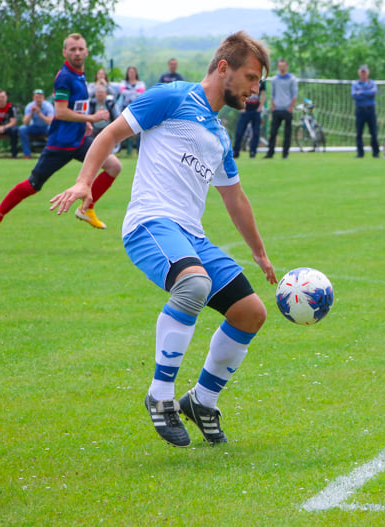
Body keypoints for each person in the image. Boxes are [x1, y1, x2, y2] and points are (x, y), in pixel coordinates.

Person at [49, 31, 277, 448]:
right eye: (250, 77)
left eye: (258, 82)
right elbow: (109, 136)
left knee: (250, 313)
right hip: (149, 223)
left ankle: (202, 400)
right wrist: (85, 182)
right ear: (223, 68)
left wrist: (260, 254)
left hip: (190, 234)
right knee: (194, 283)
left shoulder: (220, 136)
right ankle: (160, 395)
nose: (253, 89)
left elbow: (235, 198)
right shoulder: (171, 97)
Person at [0, 33, 120, 246]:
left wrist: (84, 123)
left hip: (79, 140)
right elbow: (61, 112)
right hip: (61, 144)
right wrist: (91, 117)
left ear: (86, 51)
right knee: (33, 185)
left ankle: (88, 209)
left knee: (114, 166)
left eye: (80, 49)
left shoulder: (80, 75)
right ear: (64, 52)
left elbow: (75, 107)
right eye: (72, 49)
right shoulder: (65, 77)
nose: (77, 52)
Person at [265, 59, 297, 159]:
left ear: (286, 67)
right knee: (273, 132)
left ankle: (285, 154)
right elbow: (272, 94)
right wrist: (273, 106)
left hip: (287, 109)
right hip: (277, 109)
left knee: (287, 133)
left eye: (284, 66)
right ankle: (270, 153)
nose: (282, 68)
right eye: (280, 66)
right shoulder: (275, 79)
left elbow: (294, 94)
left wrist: (291, 107)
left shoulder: (292, 79)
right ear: (278, 67)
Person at [233, 78, 265, 158]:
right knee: (239, 132)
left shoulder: (260, 82)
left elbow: (263, 95)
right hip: (245, 110)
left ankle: (253, 152)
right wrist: (241, 107)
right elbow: (239, 93)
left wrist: (260, 107)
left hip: (255, 110)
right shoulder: (245, 79)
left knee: (256, 132)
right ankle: (236, 151)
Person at [18, 89, 55, 158]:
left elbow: (50, 121)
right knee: (22, 129)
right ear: (33, 98)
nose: (38, 99)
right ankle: (27, 154)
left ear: (43, 98)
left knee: (53, 129)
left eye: (40, 97)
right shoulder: (29, 106)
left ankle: (51, 153)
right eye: (37, 97)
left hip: (46, 127)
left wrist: (39, 113)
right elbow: (25, 123)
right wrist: (31, 113)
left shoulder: (48, 106)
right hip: (35, 126)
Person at [352, 64, 379, 158]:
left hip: (370, 110)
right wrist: (367, 93)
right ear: (359, 72)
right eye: (361, 72)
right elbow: (355, 95)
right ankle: (360, 153)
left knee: (374, 132)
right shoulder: (355, 84)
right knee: (359, 132)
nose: (363, 74)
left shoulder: (372, 83)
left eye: (365, 72)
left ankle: (376, 153)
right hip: (360, 110)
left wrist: (362, 92)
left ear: (368, 72)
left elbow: (373, 92)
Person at [118, 66, 146, 155]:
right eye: (130, 72)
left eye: (133, 72)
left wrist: (129, 91)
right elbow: (122, 91)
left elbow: (142, 93)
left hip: (137, 108)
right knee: (125, 129)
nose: (132, 73)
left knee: (138, 129)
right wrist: (134, 92)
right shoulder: (123, 83)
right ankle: (128, 150)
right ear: (127, 73)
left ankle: (139, 149)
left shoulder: (140, 83)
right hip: (125, 108)